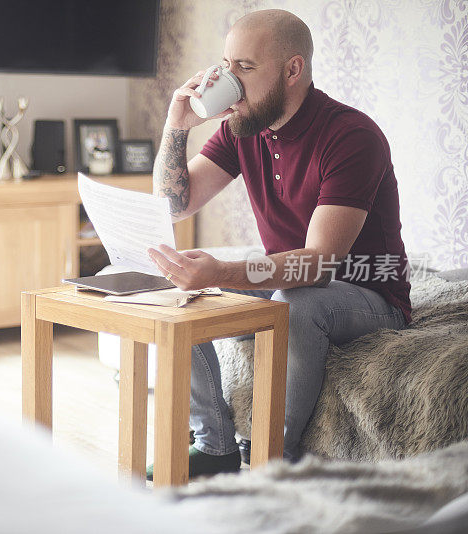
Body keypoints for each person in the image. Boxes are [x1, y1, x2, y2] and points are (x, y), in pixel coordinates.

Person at [146, 9, 410, 480]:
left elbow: (317, 267)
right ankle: (214, 445)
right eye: (227, 66)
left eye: (244, 68)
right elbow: (174, 204)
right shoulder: (240, 128)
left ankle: (273, 463)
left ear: (293, 70)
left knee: (298, 303)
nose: (230, 81)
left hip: (370, 291)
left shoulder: (352, 136)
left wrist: (222, 273)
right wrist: (178, 124)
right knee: (183, 293)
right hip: (288, 277)